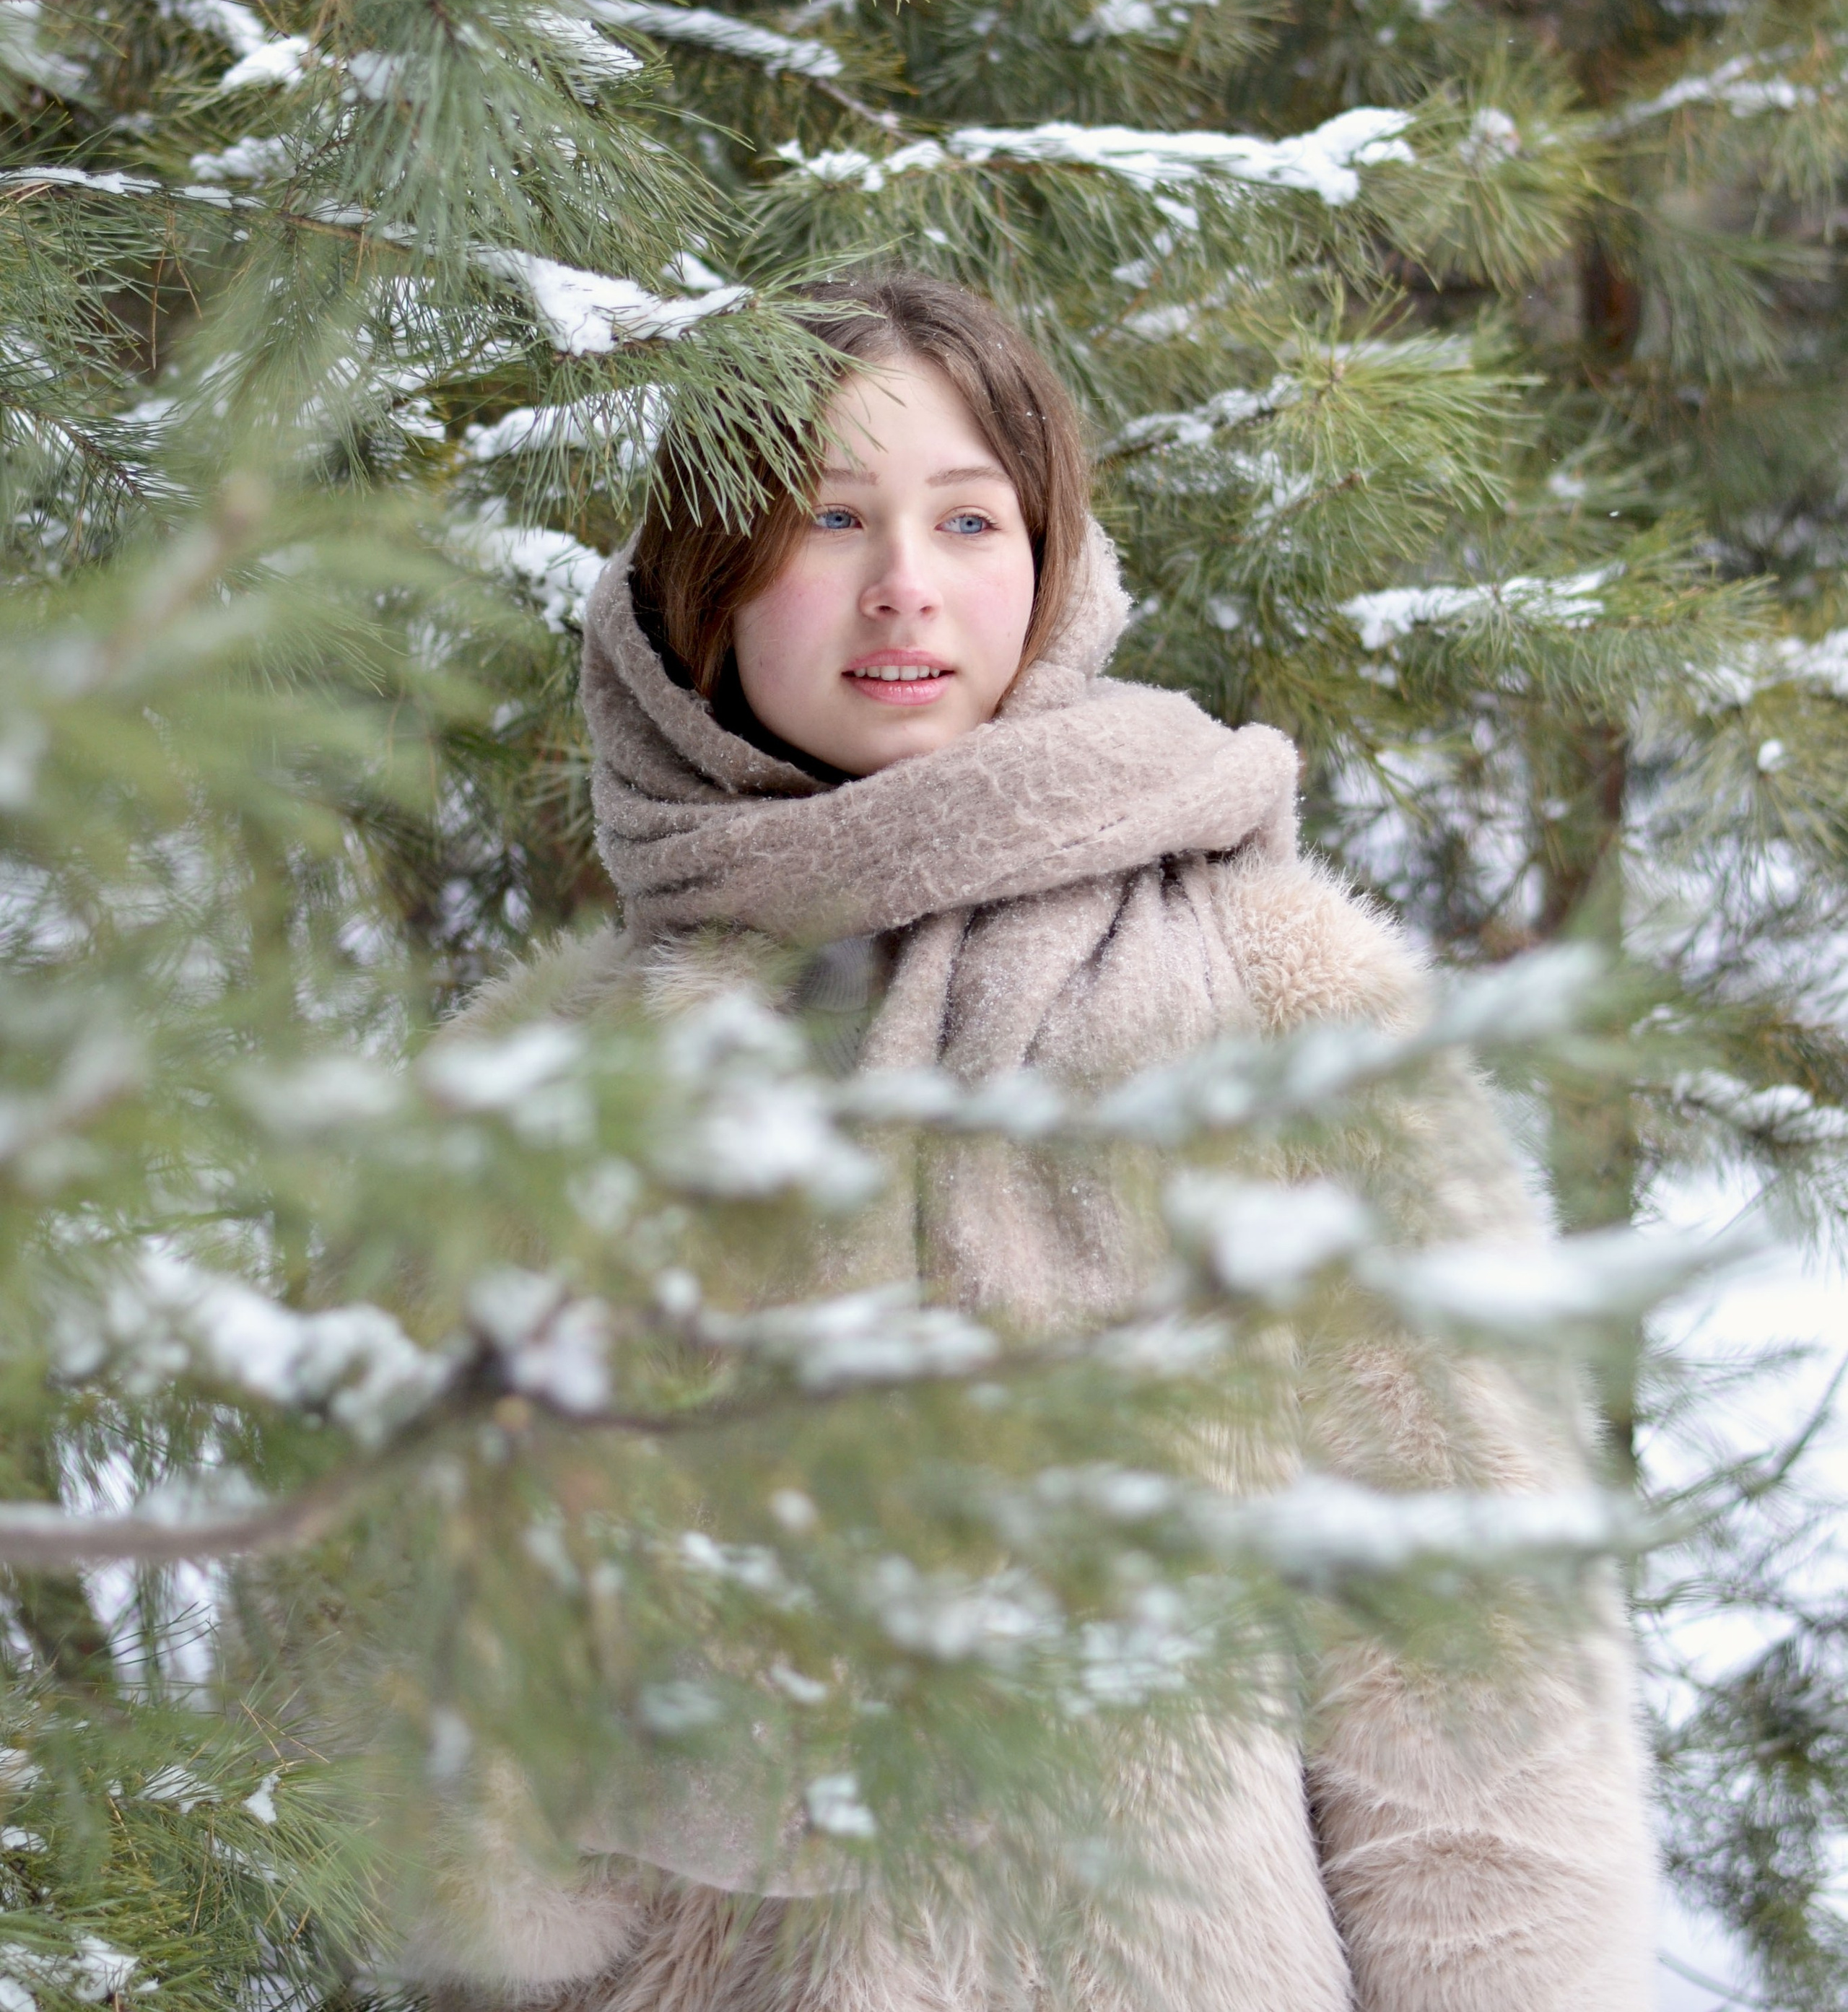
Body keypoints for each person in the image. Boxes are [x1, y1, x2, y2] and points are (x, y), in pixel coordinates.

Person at [424, 270, 1657, 2012]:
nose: (904, 584)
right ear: (699, 576)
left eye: (967, 519)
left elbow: (1474, 1641)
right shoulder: (553, 1077)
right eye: (827, 518)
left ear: (1051, 558)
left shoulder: (1279, 1003)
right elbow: (404, 1694)